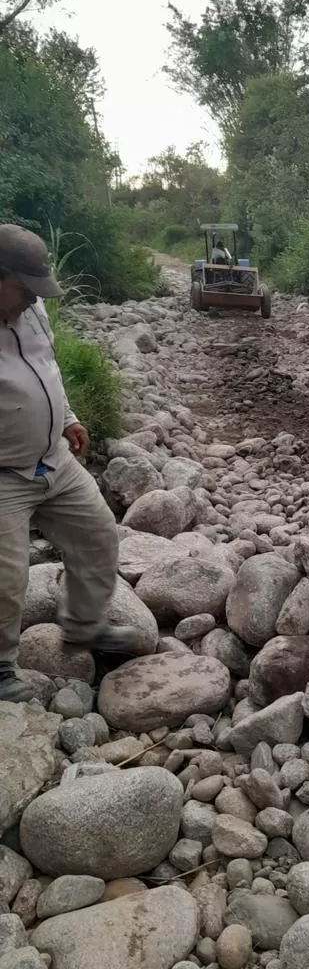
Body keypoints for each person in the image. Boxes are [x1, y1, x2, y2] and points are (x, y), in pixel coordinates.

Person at [0, 224, 133, 703]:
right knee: (6, 579)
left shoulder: (31, 311)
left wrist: (67, 417)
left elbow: (46, 369)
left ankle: (83, 628)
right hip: (3, 474)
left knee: (98, 536)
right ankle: (0, 669)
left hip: (52, 458)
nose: (34, 300)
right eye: (25, 289)